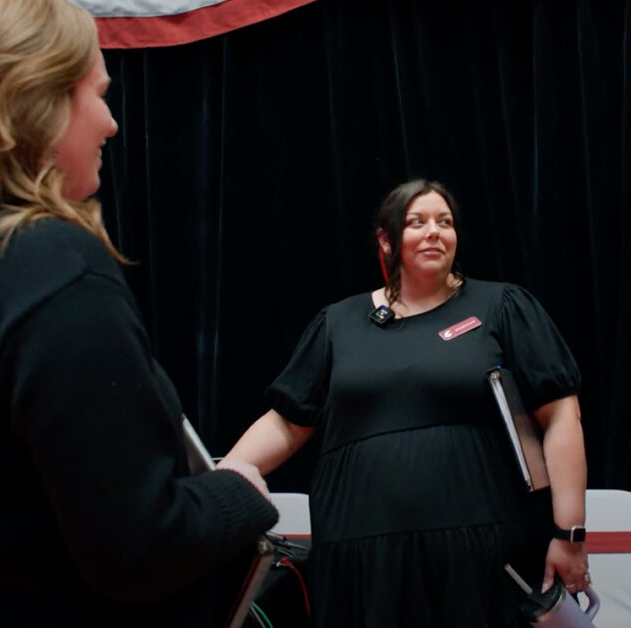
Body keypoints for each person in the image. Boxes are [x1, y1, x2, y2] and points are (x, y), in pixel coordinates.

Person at [0, 0, 277, 627]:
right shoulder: (47, 262)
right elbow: (141, 548)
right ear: (35, 100)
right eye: (97, 95)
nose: (111, 123)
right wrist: (238, 489)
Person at [227, 178, 589, 627]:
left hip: (481, 556)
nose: (434, 231)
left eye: (445, 222)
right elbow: (286, 422)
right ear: (386, 240)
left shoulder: (501, 306)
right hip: (361, 562)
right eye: (417, 222)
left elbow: (561, 416)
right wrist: (222, 480)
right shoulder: (338, 324)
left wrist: (569, 534)